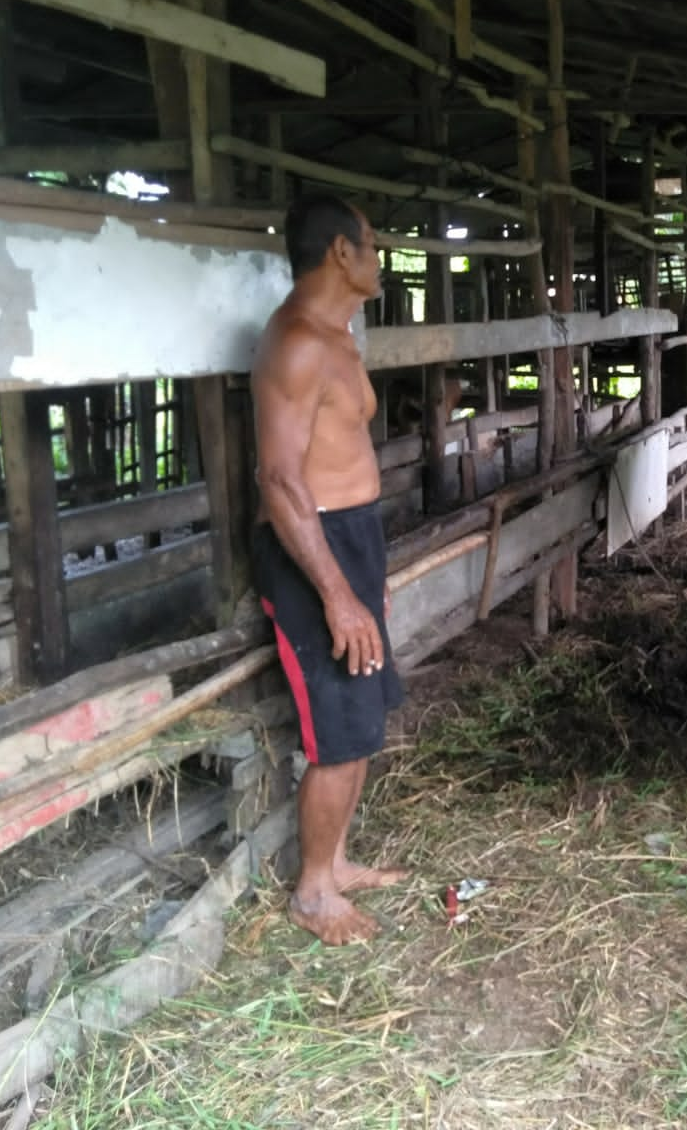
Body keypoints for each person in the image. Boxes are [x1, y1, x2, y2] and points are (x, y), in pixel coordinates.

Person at [252, 192, 407, 945]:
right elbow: (281, 483)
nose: (379, 258)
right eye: (371, 243)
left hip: (352, 538)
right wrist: (338, 595)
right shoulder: (298, 343)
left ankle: (337, 861)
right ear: (341, 253)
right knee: (339, 728)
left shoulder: (338, 337)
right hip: (313, 550)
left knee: (364, 711)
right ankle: (313, 892)